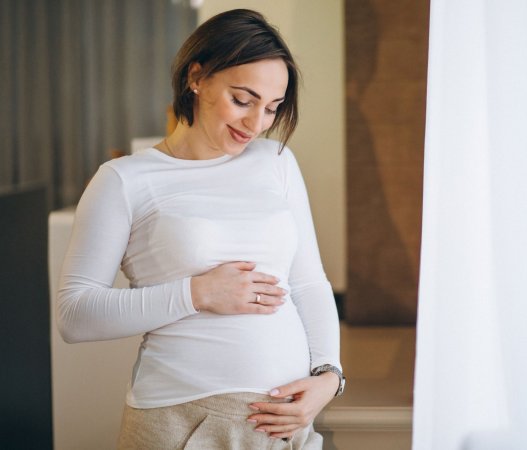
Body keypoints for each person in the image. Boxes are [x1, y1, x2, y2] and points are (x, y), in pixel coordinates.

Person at [57, 9, 344, 450]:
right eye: (243, 100)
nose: (256, 124)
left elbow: (307, 281)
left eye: (272, 107)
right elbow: (76, 315)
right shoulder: (124, 179)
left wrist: (328, 374)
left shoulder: (277, 162)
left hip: (285, 424)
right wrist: (198, 292)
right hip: (180, 421)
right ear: (197, 76)